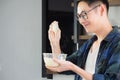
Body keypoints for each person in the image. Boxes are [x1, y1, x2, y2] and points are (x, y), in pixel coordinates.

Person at [46, 0, 120, 80]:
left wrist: (74, 68)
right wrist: (55, 42)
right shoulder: (89, 44)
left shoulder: (117, 43)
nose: (81, 21)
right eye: (79, 16)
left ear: (101, 10)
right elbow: (63, 66)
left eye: (84, 14)